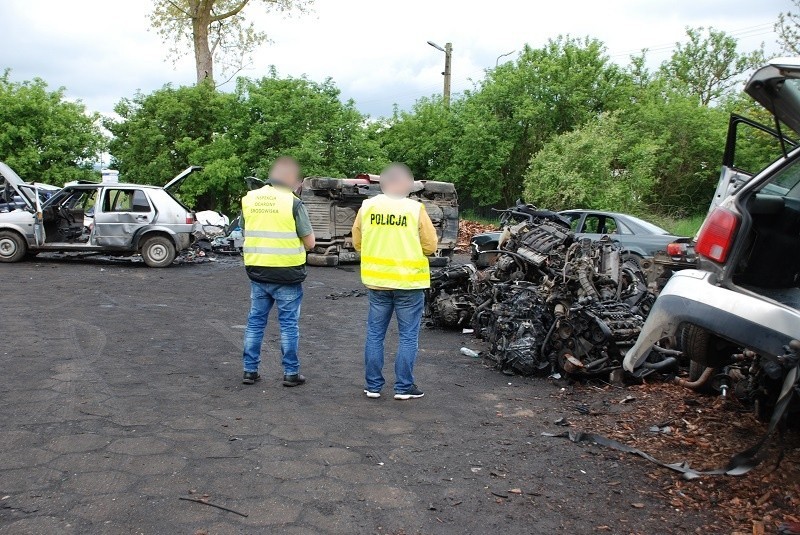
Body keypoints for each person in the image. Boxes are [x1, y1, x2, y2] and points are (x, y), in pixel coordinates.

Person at [352, 163, 438, 400]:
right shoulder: (415, 209)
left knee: (375, 334)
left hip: (377, 283)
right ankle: (403, 387)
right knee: (408, 335)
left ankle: (373, 386)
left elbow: (357, 241)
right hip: (409, 284)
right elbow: (430, 246)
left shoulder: (367, 207)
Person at [241, 156, 315, 387]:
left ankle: (249, 371)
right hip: (287, 274)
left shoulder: (249, 199)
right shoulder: (293, 203)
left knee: (255, 322)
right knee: (288, 325)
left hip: (258, 271)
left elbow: (245, 230)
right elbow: (310, 242)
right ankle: (290, 373)